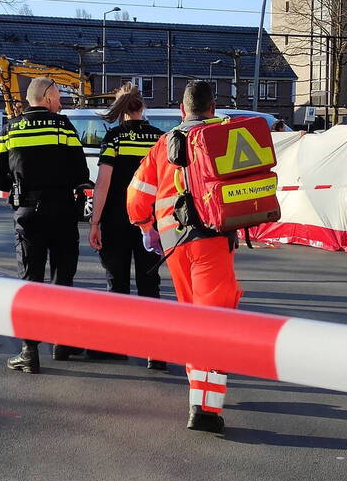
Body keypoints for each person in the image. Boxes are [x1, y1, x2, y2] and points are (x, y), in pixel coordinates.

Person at [127, 80, 243, 434]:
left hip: (173, 243)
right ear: (214, 108)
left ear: (182, 109)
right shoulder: (223, 136)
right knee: (216, 321)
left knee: (193, 318)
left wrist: (147, 227)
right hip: (211, 240)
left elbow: (136, 196)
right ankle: (205, 407)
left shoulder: (164, 143)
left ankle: (200, 390)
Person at [0, 77, 89, 374]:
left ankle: (29, 352)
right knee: (63, 280)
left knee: (30, 283)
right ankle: (62, 344)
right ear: (46, 98)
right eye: (59, 96)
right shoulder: (63, 127)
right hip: (61, 212)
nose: (61, 102)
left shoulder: (9, 130)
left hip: (28, 214)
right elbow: (81, 172)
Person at [88, 83, 165, 369]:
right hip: (150, 223)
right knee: (150, 285)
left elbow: (104, 182)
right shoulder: (159, 139)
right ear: (142, 106)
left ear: (121, 110)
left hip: (116, 220)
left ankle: (117, 346)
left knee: (117, 283)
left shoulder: (115, 138)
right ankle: (155, 352)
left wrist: (94, 222)